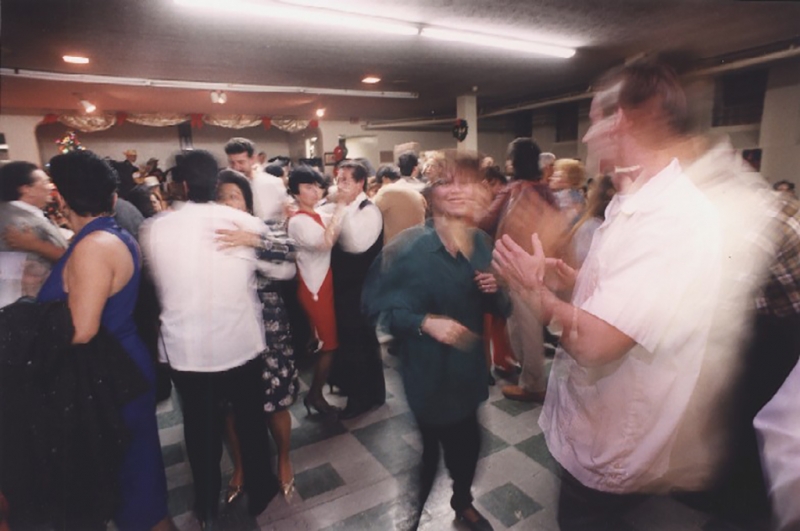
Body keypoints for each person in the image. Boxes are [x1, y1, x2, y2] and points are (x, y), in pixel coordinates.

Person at [492, 61, 771, 531]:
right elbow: (627, 299)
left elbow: (598, 342)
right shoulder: (632, 201)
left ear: (621, 119)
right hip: (597, 431)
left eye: (596, 117)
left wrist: (535, 294)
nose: (587, 135)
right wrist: (568, 280)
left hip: (612, 454)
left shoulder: (669, 219)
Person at [364, 150, 508, 531]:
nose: (458, 190)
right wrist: (425, 322)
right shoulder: (408, 248)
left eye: (467, 182)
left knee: (470, 449)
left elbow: (504, 307)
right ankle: (411, 517)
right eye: (446, 182)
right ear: (430, 194)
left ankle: (462, 502)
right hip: (428, 376)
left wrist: (496, 290)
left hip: (469, 373)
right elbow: (376, 306)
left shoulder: (481, 244)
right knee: (429, 455)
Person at [36, 150, 174, 531]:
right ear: (111, 197)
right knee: (135, 477)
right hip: (116, 367)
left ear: (62, 199)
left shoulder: (94, 246)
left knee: (136, 487)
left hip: (109, 375)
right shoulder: (105, 235)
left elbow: (82, 329)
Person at [140, 150, 279, 525]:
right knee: (250, 422)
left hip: (187, 351)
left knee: (200, 430)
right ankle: (261, 490)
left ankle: (205, 502)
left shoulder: (153, 228)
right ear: (217, 182)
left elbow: (156, 284)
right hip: (240, 344)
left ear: (180, 185)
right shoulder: (244, 223)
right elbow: (280, 272)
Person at [214, 169, 299, 499]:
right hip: (227, 327)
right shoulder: (209, 234)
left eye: (234, 196)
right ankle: (241, 465)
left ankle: (284, 459)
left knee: (275, 400)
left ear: (248, 203)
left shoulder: (262, 228)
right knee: (232, 405)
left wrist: (254, 242)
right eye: (221, 197)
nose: (228, 203)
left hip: (269, 327)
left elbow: (290, 252)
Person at [479, 137, 566, 403]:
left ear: (514, 161)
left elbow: (485, 221)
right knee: (528, 324)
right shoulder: (544, 189)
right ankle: (530, 375)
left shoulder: (513, 188)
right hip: (541, 263)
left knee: (523, 325)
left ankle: (533, 384)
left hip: (517, 265)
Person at [325, 160, 385, 419]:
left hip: (360, 288)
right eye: (338, 179)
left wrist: (338, 208)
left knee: (359, 342)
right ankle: (362, 390)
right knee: (351, 341)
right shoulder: (344, 206)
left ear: (361, 183)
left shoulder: (367, 211)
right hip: (344, 287)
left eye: (347, 180)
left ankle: (363, 398)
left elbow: (354, 245)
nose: (340, 185)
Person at [286, 165, 345, 415]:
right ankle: (315, 395)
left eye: (318, 186)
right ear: (296, 192)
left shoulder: (314, 213)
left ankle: (316, 391)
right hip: (314, 289)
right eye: (308, 187)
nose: (315, 191)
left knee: (323, 342)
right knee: (329, 346)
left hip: (323, 283)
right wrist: (342, 206)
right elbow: (325, 242)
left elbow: (329, 210)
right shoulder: (299, 221)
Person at [0, 161, 68, 307]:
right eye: (45, 182)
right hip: (31, 305)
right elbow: (67, 257)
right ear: (26, 189)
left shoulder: (18, 213)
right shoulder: (19, 222)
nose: (51, 187)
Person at [225, 137, 288, 221]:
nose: (236, 167)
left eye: (241, 162)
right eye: (232, 163)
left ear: (253, 159)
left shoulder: (272, 183)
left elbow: (285, 212)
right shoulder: (224, 186)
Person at [373, 163, 427, 245]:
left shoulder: (387, 190)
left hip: (396, 247)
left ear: (384, 179)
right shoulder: (415, 190)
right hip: (419, 244)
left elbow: (371, 211)